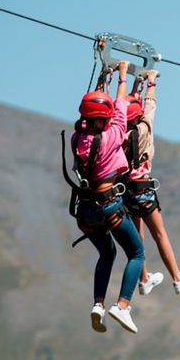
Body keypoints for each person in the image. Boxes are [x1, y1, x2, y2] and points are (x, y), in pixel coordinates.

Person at [71, 60, 146, 333]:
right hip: (109, 204)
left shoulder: (78, 138)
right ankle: (122, 306)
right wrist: (123, 77)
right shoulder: (112, 136)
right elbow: (121, 109)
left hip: (86, 209)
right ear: (104, 118)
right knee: (136, 252)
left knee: (107, 253)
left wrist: (103, 80)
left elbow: (99, 109)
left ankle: (98, 305)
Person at [123, 69, 180, 296]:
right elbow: (149, 107)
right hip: (143, 189)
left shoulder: (118, 133)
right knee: (160, 234)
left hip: (127, 191)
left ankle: (144, 279)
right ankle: (177, 278)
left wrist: (135, 85)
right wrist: (150, 84)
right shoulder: (144, 129)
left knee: (138, 240)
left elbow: (125, 110)